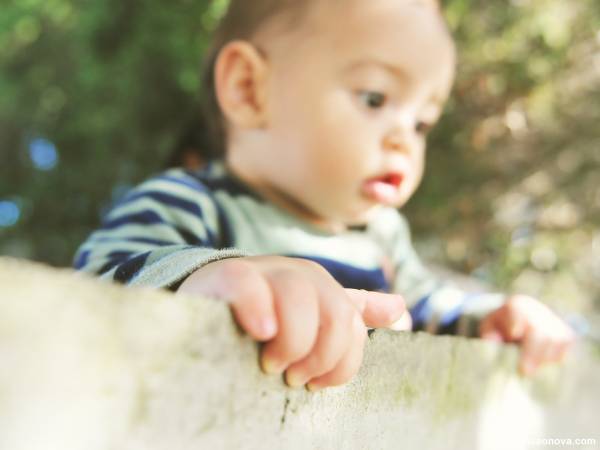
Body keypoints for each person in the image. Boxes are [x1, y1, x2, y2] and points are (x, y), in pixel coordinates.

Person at [74, 0, 574, 391]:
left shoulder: (382, 236)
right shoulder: (190, 202)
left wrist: (493, 315)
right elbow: (99, 281)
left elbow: (428, 307)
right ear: (250, 89)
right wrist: (212, 273)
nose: (404, 137)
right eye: (375, 98)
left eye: (422, 121)